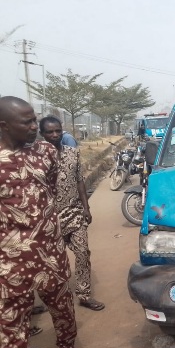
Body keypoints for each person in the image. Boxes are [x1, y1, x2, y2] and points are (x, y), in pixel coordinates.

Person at [0, 96, 77, 348]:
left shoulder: (45, 152)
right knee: (12, 327)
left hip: (51, 252)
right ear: (4, 125)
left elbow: (50, 186)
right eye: (27, 122)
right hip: (11, 263)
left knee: (64, 313)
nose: (35, 126)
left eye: (35, 120)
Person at [39, 116, 105, 311]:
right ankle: (56, 299)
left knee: (83, 253)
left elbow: (79, 181)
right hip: (49, 218)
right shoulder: (36, 158)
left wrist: (86, 208)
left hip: (74, 211)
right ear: (42, 135)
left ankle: (84, 295)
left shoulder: (72, 153)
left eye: (58, 131)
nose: (54, 135)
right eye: (50, 132)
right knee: (53, 262)